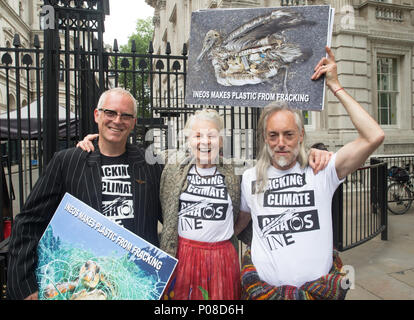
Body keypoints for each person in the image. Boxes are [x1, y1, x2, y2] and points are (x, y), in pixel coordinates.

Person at [77, 108, 332, 300]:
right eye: (198, 135)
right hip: (182, 256)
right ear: (189, 140)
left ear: (221, 140)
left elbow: (243, 213)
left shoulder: (233, 175)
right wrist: (96, 142)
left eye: (211, 135)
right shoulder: (172, 169)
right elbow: (130, 154)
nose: (204, 141)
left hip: (223, 259)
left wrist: (313, 152)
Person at [237, 46, 385, 300]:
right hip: (261, 292)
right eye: (273, 135)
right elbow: (239, 224)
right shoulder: (250, 178)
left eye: (289, 134)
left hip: (318, 293)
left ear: (301, 136)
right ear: (265, 137)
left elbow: (374, 135)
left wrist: (335, 86)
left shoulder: (322, 170)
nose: (280, 142)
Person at [7, 88, 163, 300]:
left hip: (136, 287)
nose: (117, 120)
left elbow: (175, 217)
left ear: (134, 122)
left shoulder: (151, 165)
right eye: (110, 113)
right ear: (97, 115)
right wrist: (26, 287)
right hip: (84, 284)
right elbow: (29, 222)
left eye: (126, 115)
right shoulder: (67, 162)